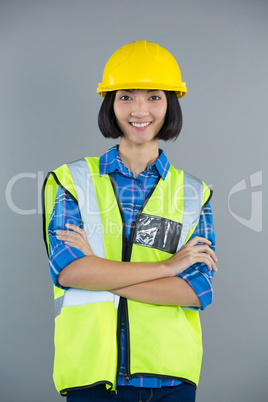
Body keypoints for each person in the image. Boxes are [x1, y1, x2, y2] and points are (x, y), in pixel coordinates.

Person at [42, 40, 217, 402]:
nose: (140, 110)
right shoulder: (70, 180)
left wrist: (101, 273)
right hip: (92, 376)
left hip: (170, 377)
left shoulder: (192, 193)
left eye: (154, 96)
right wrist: (168, 267)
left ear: (171, 104)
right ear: (111, 103)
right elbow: (71, 272)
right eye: (126, 97)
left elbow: (196, 291)